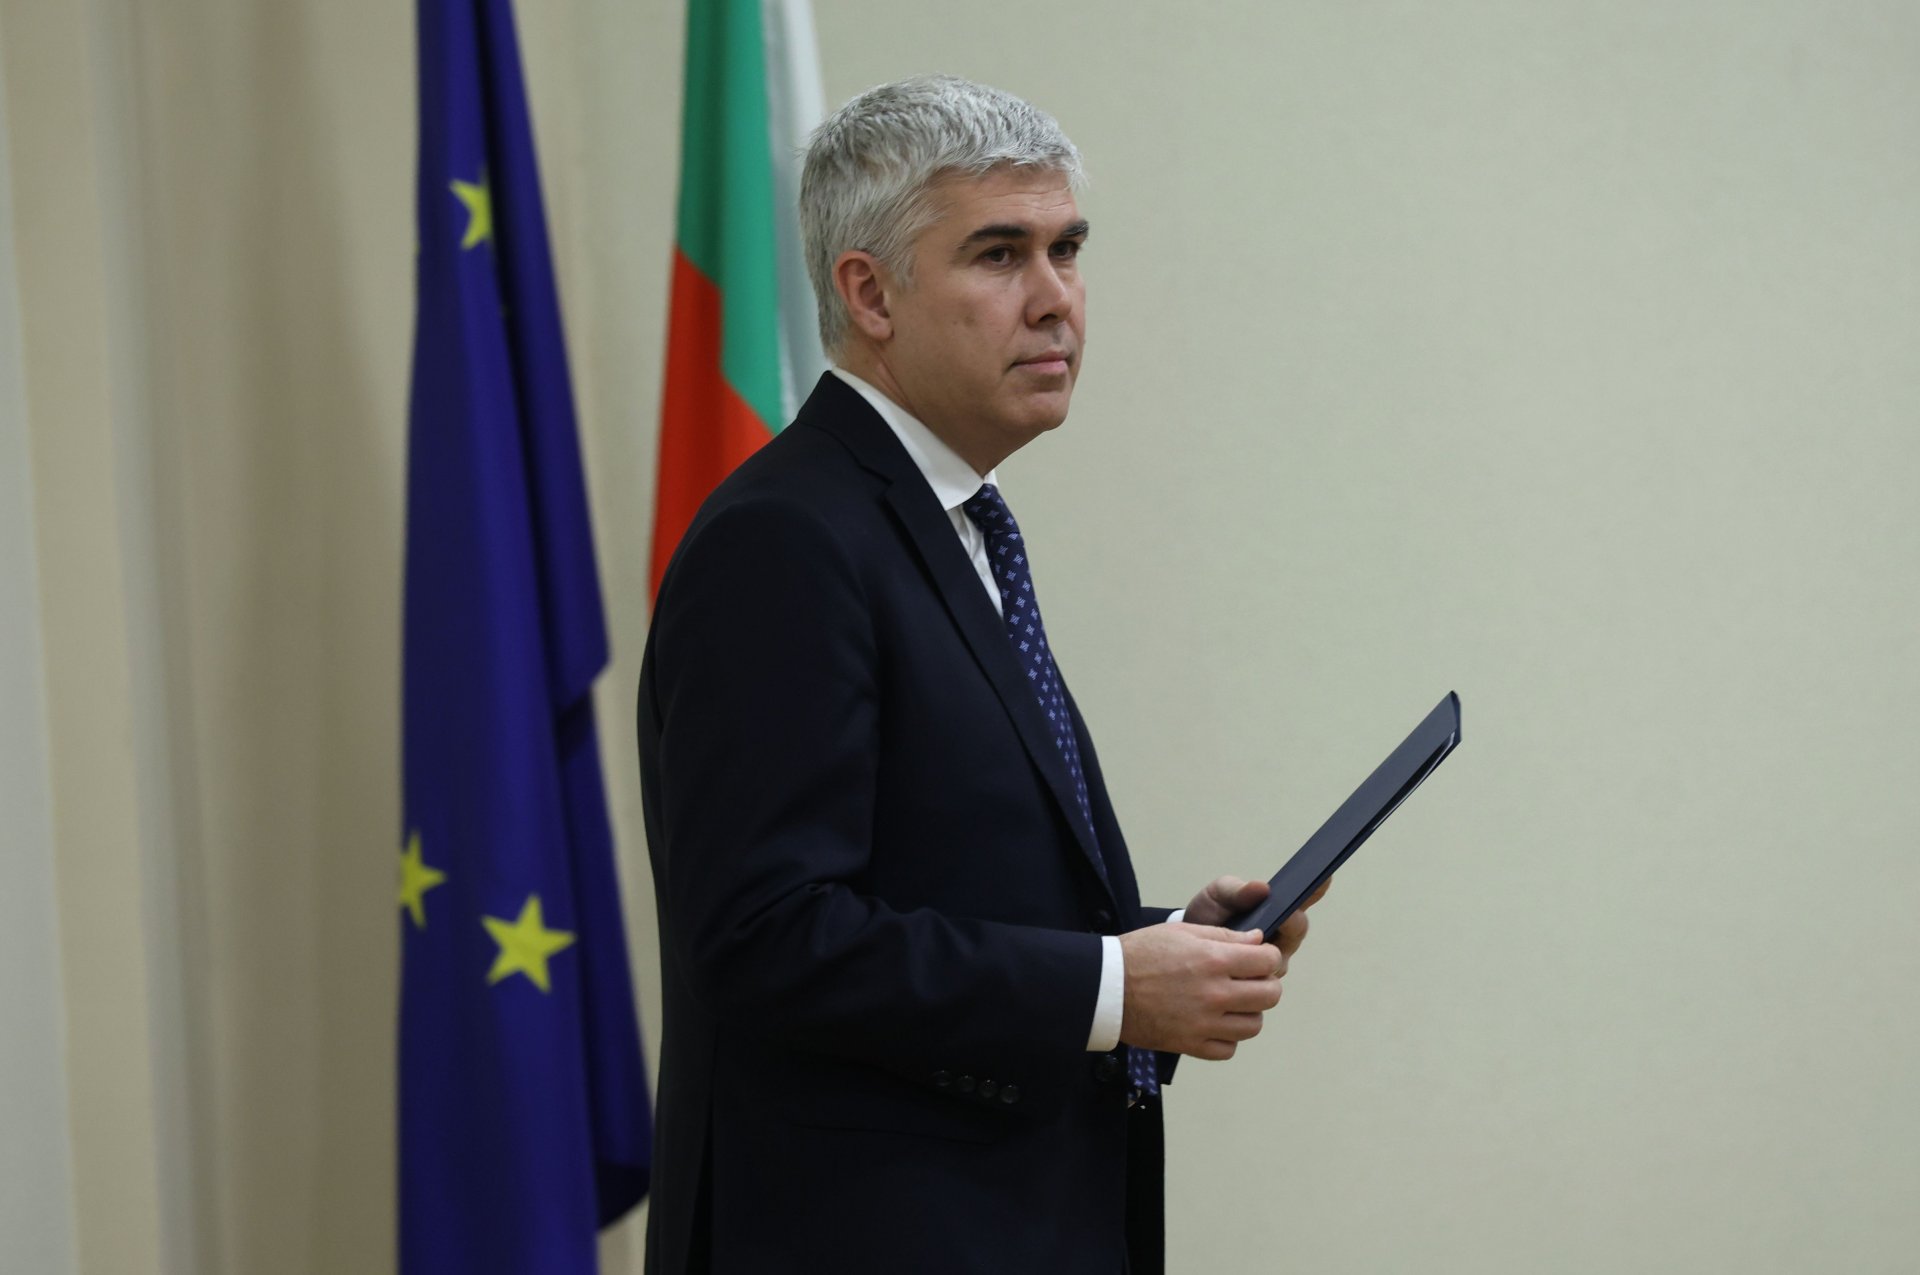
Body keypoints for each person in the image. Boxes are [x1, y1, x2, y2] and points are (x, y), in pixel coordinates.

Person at [637, 74, 1325, 1275]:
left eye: (1068, 249)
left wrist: (1159, 945)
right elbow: (763, 937)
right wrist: (1108, 987)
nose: (1056, 298)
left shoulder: (948, 519)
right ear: (869, 294)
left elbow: (941, 874)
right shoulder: (786, 537)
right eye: (1000, 255)